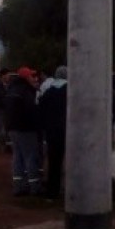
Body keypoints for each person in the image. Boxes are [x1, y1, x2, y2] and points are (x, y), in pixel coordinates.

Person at [4, 66, 41, 196]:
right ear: (26, 78)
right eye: (31, 76)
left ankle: (18, 186)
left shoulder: (11, 89)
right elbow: (31, 111)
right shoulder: (27, 91)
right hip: (26, 129)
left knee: (17, 157)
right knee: (30, 157)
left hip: (12, 129)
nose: (34, 78)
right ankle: (34, 186)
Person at [39, 65, 68, 199]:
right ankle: (68, 189)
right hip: (67, 130)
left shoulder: (49, 91)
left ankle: (52, 191)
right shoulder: (69, 90)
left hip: (51, 131)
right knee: (69, 161)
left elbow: (41, 109)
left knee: (53, 162)